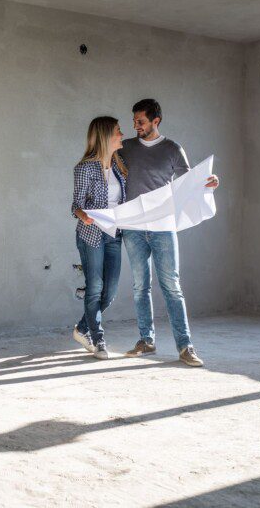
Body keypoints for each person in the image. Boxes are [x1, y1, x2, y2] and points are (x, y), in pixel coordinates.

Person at [120, 99, 219, 367]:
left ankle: (185, 346)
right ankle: (146, 340)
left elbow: (190, 185)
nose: (136, 126)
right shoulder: (126, 148)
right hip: (133, 228)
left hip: (163, 227)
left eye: (140, 121)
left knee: (172, 287)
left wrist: (209, 185)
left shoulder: (173, 149)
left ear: (156, 121)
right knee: (140, 287)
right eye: (134, 122)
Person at [71, 116, 128, 359]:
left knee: (110, 292)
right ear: (106, 136)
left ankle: (82, 328)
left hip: (114, 235)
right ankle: (98, 339)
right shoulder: (85, 168)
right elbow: (75, 205)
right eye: (118, 131)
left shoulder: (119, 166)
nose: (122, 135)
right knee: (95, 289)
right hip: (92, 235)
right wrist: (84, 216)